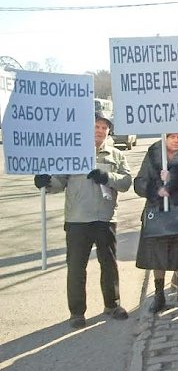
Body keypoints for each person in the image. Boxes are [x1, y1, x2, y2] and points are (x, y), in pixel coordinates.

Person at [33, 112, 132, 328]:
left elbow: (126, 182)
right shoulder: (73, 154)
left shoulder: (116, 155)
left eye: (104, 128)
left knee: (109, 264)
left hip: (105, 218)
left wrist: (107, 177)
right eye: (96, 126)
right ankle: (77, 312)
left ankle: (112, 304)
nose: (100, 131)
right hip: (78, 219)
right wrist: (45, 182)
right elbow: (60, 181)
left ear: (108, 131)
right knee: (76, 267)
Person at [134, 133, 178, 312]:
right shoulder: (153, 153)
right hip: (157, 211)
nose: (175, 140)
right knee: (158, 254)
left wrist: (174, 182)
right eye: (172, 136)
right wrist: (156, 189)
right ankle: (159, 296)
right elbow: (140, 182)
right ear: (165, 137)